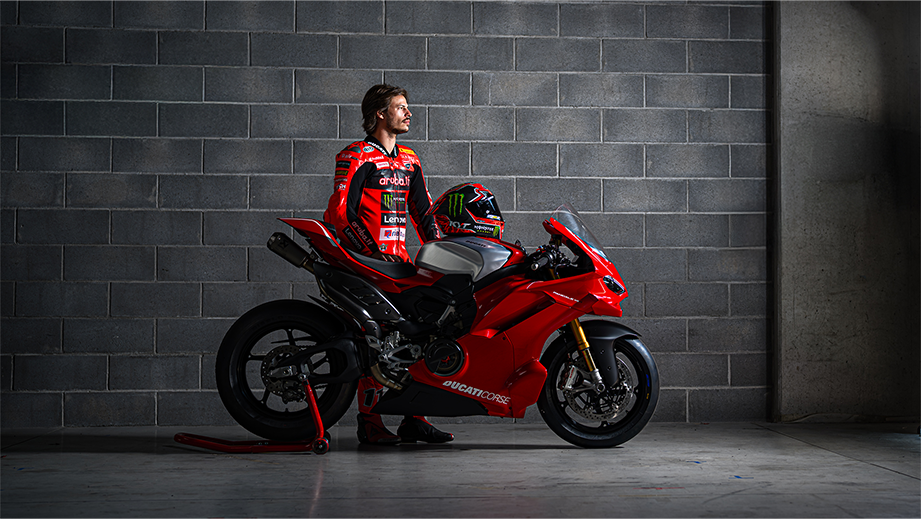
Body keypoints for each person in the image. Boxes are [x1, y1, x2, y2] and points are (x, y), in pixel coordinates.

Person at [323, 84, 454, 445]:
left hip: (401, 265)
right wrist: (370, 253)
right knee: (375, 341)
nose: (408, 114)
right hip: (364, 262)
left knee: (423, 333)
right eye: (400, 107)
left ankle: (415, 418)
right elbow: (340, 213)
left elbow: (424, 214)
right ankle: (371, 422)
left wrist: (444, 256)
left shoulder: (410, 160)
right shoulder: (356, 155)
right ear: (380, 114)